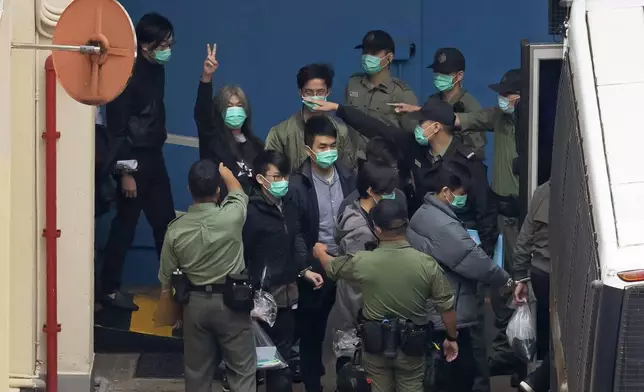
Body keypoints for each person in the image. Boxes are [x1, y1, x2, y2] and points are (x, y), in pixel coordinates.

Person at [312, 199, 459, 392]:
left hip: (376, 346)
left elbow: (333, 268)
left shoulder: (363, 261)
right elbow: (446, 308)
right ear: (406, 225)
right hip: (412, 348)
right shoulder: (426, 264)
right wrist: (451, 337)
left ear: (377, 229)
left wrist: (320, 252)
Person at [304, 97, 497, 243]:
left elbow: (485, 216)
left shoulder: (468, 163)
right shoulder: (415, 147)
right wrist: (339, 109)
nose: (418, 127)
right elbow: (377, 128)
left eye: (422, 123)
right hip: (421, 240)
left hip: (456, 244)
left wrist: (486, 276)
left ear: (436, 127)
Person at [406, 162, 515, 392]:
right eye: (460, 194)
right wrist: (506, 280)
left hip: (430, 307)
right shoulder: (443, 225)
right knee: (458, 376)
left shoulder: (423, 213)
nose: (463, 199)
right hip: (447, 312)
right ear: (445, 191)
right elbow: (472, 259)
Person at [158, 160, 256, 392]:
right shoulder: (232, 217)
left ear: (189, 190)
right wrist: (226, 173)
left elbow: (166, 277)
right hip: (233, 304)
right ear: (218, 190)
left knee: (197, 373)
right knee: (242, 371)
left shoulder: (175, 229)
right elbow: (239, 193)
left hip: (195, 306)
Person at [101, 13, 177, 310]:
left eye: (170, 43)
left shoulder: (157, 69)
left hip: (153, 157)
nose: (168, 49)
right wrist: (125, 173)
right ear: (145, 45)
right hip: (132, 161)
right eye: (163, 44)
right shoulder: (126, 75)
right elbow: (117, 130)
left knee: (167, 227)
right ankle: (108, 290)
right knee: (125, 226)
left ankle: (173, 291)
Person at [242, 150, 323, 392]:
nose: (282, 182)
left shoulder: (288, 204)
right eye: (276, 177)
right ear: (260, 179)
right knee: (256, 360)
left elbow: (296, 237)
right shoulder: (250, 212)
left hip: (286, 297)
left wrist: (303, 269)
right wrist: (249, 294)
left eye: (285, 176)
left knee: (281, 361)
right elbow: (242, 254)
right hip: (260, 301)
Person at [287, 116, 357, 392]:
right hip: (315, 269)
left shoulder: (349, 177)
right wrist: (306, 266)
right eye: (322, 146)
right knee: (311, 333)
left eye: (332, 145)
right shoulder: (297, 185)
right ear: (308, 150)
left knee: (349, 331)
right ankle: (313, 384)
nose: (328, 151)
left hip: (347, 264)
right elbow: (294, 233)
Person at [325, 160, 399, 373]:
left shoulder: (353, 209)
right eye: (386, 192)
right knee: (354, 369)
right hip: (357, 312)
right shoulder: (361, 232)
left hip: (352, 308)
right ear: (371, 190)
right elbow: (360, 277)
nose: (390, 195)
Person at [195, 43, 264, 196]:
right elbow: (203, 114)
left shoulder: (256, 145)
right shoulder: (213, 140)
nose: (235, 110)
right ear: (220, 110)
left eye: (239, 105)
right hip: (224, 210)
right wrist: (207, 77)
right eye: (229, 106)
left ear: (246, 111)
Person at [265, 63, 356, 172]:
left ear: (328, 92)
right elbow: (271, 174)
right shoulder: (280, 134)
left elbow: (349, 171)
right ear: (300, 92)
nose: (315, 97)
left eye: (320, 92)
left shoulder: (341, 130)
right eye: (309, 92)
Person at [344, 30, 418, 155]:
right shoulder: (353, 84)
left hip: (384, 166)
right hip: (352, 163)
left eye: (374, 53)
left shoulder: (402, 93)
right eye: (365, 52)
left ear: (389, 57)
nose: (367, 57)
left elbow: (411, 136)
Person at [513, 180, 551, 392]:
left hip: (540, 273)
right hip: (565, 275)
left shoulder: (542, 191)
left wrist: (521, 277)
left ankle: (539, 379)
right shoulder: (586, 191)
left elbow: (525, 238)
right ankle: (537, 380)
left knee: (549, 331)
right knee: (569, 337)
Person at [426, 47, 486, 159]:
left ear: (459, 75)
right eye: (437, 73)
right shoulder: (432, 101)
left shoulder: (471, 106)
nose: (439, 77)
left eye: (445, 74)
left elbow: (476, 153)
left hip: (458, 171)